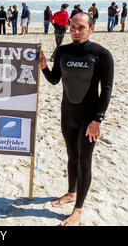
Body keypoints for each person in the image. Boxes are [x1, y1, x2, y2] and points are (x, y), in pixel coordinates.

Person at [39, 12, 114, 226]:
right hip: (67, 115)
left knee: (84, 161)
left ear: (91, 29)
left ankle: (78, 210)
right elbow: (54, 80)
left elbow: (106, 89)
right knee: (72, 157)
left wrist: (97, 120)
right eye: (73, 27)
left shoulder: (101, 54)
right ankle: (71, 193)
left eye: (81, 27)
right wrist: (44, 67)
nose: (75, 31)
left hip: (89, 118)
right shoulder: (62, 51)